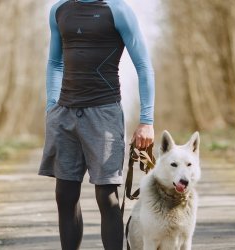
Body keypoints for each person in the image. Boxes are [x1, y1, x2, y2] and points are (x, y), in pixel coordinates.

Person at [38, 0, 154, 249]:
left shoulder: (118, 10)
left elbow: (144, 66)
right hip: (64, 113)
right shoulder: (59, 9)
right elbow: (55, 62)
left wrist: (147, 120)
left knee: (107, 197)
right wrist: (51, 106)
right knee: (65, 195)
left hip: (104, 114)